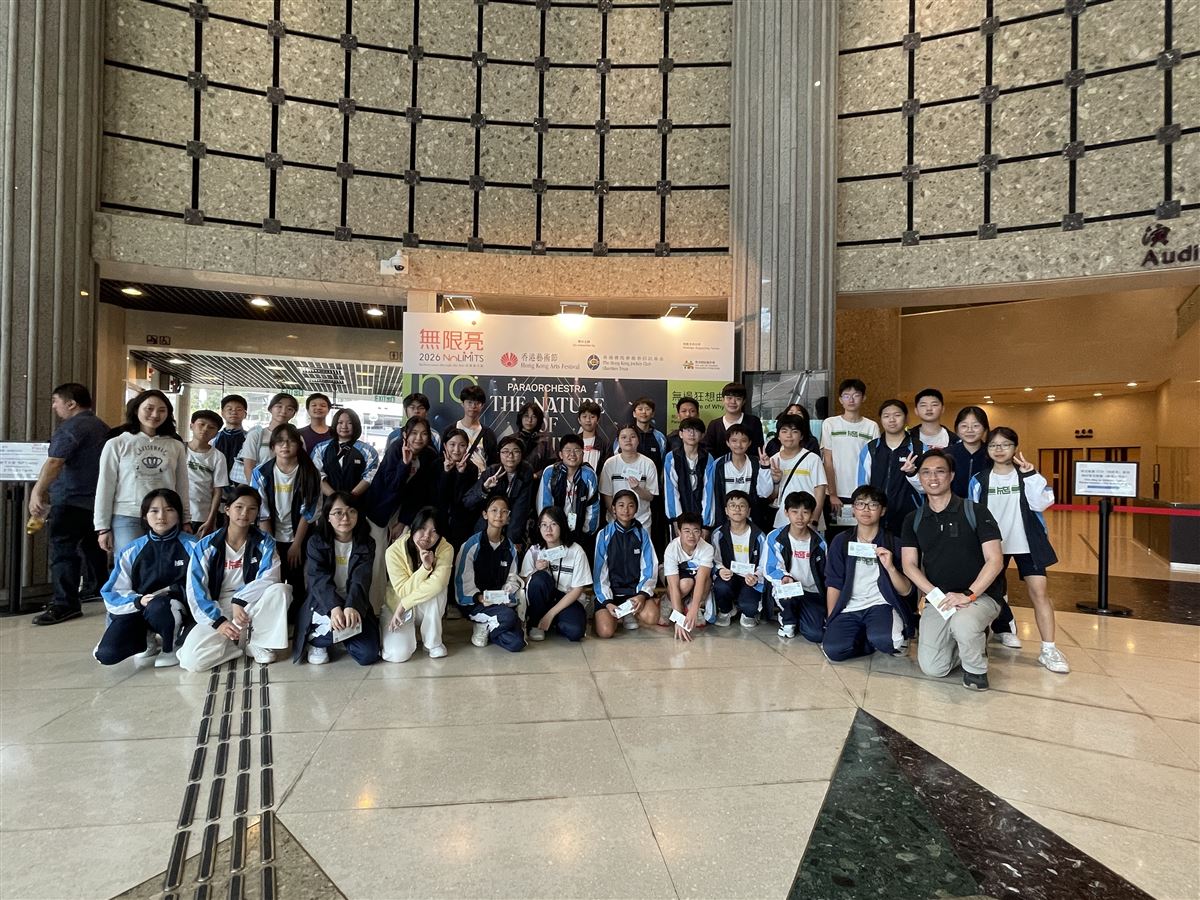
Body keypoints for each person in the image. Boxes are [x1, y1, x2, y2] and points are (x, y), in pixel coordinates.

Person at [901, 449, 1005, 691]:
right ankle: (970, 642)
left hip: (979, 596)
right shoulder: (914, 519)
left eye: (940, 471)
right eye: (926, 472)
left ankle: (976, 669)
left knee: (963, 623)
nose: (933, 478)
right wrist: (935, 595)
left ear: (951, 476)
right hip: (940, 599)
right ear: (920, 477)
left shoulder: (975, 511)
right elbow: (909, 565)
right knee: (933, 668)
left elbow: (995, 560)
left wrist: (969, 595)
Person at [969, 428, 1068, 674]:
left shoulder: (1027, 476)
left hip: (1027, 544)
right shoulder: (979, 480)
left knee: (1040, 592)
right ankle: (984, 640)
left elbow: (1042, 503)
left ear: (1015, 447)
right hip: (993, 546)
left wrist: (1031, 475)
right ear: (987, 449)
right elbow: (973, 514)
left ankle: (1049, 649)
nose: (999, 449)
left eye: (1005, 444)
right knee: (987, 593)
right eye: (993, 445)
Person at [177, 486, 291, 671]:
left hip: (253, 603)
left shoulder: (265, 542)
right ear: (227, 509)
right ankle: (238, 645)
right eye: (239, 507)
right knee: (192, 662)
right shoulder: (205, 546)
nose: (245, 513)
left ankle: (259, 642)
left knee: (281, 590)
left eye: (252, 508)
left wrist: (240, 599)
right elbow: (196, 591)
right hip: (219, 607)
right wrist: (219, 622)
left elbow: (269, 577)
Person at [28, 383, 110, 626]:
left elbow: (55, 461)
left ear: (71, 403)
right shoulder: (101, 426)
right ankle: (96, 588)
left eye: (56, 401)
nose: (54, 407)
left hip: (71, 499)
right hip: (95, 501)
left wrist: (38, 491)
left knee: (63, 552)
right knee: (92, 548)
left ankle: (65, 603)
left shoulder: (72, 427)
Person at [94, 489, 197, 667]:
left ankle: (170, 646)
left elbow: (205, 587)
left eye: (169, 510)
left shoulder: (194, 546)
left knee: (160, 606)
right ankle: (148, 640)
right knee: (106, 654)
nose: (161, 516)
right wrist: (138, 601)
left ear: (179, 514)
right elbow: (113, 592)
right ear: (144, 516)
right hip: (141, 608)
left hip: (177, 610)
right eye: (154, 511)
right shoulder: (131, 550)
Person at [822, 485, 916, 662]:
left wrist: (890, 567)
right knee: (833, 651)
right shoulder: (841, 541)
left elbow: (906, 591)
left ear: (882, 511)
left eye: (873, 505)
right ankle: (869, 639)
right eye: (860, 504)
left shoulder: (893, 543)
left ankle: (878, 636)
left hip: (881, 605)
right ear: (853, 509)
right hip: (850, 607)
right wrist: (831, 618)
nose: (866, 509)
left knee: (891, 642)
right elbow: (834, 583)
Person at [94, 390, 191, 555]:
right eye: (149, 409)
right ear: (136, 409)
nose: (155, 414)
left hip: (165, 516)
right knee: (130, 563)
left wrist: (185, 519)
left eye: (162, 410)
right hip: (127, 516)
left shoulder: (176, 446)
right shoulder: (117, 443)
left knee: (162, 564)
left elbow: (182, 485)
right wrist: (102, 527)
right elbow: (105, 485)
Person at [293, 492, 380, 665]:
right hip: (322, 601)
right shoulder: (315, 542)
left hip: (353, 599)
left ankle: (341, 636)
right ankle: (317, 642)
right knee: (335, 625)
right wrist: (334, 607)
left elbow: (361, 578)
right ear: (328, 516)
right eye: (338, 512)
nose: (345, 518)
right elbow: (318, 579)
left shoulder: (367, 543)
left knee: (368, 655)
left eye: (351, 511)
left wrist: (352, 606)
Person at [251, 424, 320, 615]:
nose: (285, 445)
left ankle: (298, 622)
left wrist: (296, 544)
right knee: (273, 582)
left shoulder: (310, 473)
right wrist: (271, 546)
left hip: (300, 537)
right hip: (270, 537)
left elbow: (309, 513)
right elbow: (262, 513)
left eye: (291, 441)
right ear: (272, 446)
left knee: (299, 582)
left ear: (299, 444)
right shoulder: (261, 473)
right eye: (280, 441)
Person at [453, 494, 526, 652]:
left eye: (504, 511)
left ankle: (487, 626)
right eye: (494, 510)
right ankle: (483, 622)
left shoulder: (510, 548)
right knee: (509, 617)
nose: (499, 515)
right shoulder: (471, 545)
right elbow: (462, 583)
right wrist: (480, 598)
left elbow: (512, 579)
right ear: (485, 514)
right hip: (476, 604)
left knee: (517, 643)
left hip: (500, 604)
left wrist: (505, 594)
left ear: (508, 517)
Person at [382, 505, 453, 661]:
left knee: (437, 590)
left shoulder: (445, 548)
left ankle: (433, 642)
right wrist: (425, 569)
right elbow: (402, 591)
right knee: (397, 655)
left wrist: (404, 604)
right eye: (422, 528)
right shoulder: (393, 551)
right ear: (413, 527)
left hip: (416, 606)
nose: (427, 536)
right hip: (396, 607)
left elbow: (438, 584)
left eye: (434, 531)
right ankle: (404, 634)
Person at [592, 490, 659, 638]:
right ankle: (613, 615)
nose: (626, 510)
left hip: (634, 593)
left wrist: (641, 595)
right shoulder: (604, 534)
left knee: (652, 616)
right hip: (612, 593)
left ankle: (629, 613)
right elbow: (599, 572)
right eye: (621, 505)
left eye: (631, 505)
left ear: (636, 509)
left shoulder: (642, 534)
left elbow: (650, 568)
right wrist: (607, 601)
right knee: (605, 632)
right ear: (614, 508)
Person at [520, 506, 592, 642]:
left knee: (575, 632)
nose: (548, 529)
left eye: (553, 524)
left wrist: (550, 614)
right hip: (543, 599)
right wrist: (536, 571)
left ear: (562, 525)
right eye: (544, 525)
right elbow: (524, 582)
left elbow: (578, 589)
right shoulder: (535, 551)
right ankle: (535, 623)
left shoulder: (576, 551)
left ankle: (552, 620)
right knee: (539, 579)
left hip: (566, 599)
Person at [765, 491, 827, 640]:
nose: (799, 517)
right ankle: (787, 620)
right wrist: (785, 577)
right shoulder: (775, 537)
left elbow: (826, 573)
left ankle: (800, 615)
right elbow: (770, 568)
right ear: (786, 512)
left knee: (816, 634)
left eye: (805, 512)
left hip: (811, 591)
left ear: (811, 514)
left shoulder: (820, 543)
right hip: (788, 589)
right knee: (788, 598)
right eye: (794, 512)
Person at [820, 378, 880, 528]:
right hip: (835, 494)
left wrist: (867, 494)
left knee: (862, 534)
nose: (851, 400)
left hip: (862, 493)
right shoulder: (830, 424)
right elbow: (828, 460)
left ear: (863, 398)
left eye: (856, 395)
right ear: (840, 400)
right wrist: (832, 494)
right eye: (846, 396)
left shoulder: (871, 426)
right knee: (835, 536)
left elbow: (874, 462)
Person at [858, 399, 921, 537]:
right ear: (881, 419)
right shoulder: (871, 448)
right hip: (876, 516)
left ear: (906, 418)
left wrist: (912, 473)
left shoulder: (919, 448)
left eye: (897, 415)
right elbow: (863, 487)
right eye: (886, 416)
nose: (892, 420)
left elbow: (925, 487)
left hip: (910, 516)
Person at [464, 435, 536, 548]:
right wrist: (484, 488)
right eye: (505, 451)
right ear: (499, 454)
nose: (510, 456)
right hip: (486, 526)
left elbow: (521, 508)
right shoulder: (491, 471)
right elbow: (468, 501)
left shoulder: (526, 471)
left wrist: (511, 543)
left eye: (515, 451)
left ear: (522, 454)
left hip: (511, 525)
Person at [710, 491, 768, 627]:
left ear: (749, 511)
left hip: (750, 578)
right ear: (726, 510)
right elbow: (715, 560)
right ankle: (726, 610)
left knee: (749, 606)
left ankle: (749, 613)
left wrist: (756, 576)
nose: (737, 509)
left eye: (742, 506)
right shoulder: (718, 534)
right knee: (721, 587)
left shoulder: (759, 535)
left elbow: (764, 563)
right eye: (733, 505)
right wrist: (720, 570)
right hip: (729, 576)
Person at [536, 434, 602, 554]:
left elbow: (593, 507)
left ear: (582, 454)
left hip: (580, 534)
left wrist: (585, 533)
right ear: (561, 454)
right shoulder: (550, 472)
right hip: (553, 533)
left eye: (577, 450)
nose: (572, 454)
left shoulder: (589, 475)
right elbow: (544, 505)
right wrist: (551, 530)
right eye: (568, 450)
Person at [766, 414, 827, 530]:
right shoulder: (773, 460)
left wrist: (814, 519)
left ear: (802, 435)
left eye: (794, 431)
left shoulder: (813, 459)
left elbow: (820, 491)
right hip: (783, 521)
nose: (789, 435)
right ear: (778, 436)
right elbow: (772, 496)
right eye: (784, 431)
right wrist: (776, 481)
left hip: (808, 520)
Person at [660, 512, 714, 641]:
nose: (691, 535)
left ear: (701, 532)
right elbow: (673, 585)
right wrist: (678, 618)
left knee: (706, 582)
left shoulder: (707, 548)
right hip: (678, 578)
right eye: (687, 531)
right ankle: (667, 602)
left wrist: (694, 610)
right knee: (686, 584)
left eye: (696, 531)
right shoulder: (671, 549)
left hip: (696, 577)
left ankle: (690, 605)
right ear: (679, 532)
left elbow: (701, 580)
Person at [711, 423, 774, 530]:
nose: (739, 445)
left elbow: (765, 493)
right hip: (725, 520)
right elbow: (714, 495)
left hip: (752, 520)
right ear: (727, 442)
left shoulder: (756, 463)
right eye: (734, 441)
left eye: (743, 441)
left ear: (749, 443)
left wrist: (765, 467)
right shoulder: (719, 464)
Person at [600, 423, 659, 530]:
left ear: (638, 440)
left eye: (632, 436)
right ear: (618, 441)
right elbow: (606, 494)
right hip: (615, 522)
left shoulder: (648, 464)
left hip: (642, 522)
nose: (628, 440)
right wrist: (617, 517)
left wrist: (637, 488)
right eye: (623, 437)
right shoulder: (610, 463)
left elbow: (651, 496)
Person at [663, 417, 717, 531]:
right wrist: (676, 520)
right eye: (688, 430)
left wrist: (706, 524)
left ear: (702, 435)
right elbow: (671, 491)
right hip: (679, 517)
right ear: (681, 434)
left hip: (700, 516)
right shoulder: (672, 457)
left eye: (696, 430)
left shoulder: (708, 458)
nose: (692, 434)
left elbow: (709, 491)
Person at [313, 408, 380, 499]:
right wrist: (335, 499)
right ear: (335, 424)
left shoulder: (368, 451)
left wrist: (348, 499)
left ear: (356, 425)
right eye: (340, 422)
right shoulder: (320, 448)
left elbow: (370, 476)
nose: (344, 426)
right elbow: (316, 474)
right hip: (327, 502)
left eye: (350, 423)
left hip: (357, 502)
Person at [435, 427, 481, 550]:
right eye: (452, 444)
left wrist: (460, 474)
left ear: (467, 447)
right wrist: (446, 472)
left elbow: (462, 500)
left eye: (462, 445)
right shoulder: (436, 465)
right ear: (445, 445)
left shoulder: (472, 469)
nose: (456, 450)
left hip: (460, 524)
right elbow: (439, 497)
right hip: (438, 521)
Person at [239, 392, 299, 484]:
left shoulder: (297, 437)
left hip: (288, 486)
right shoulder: (256, 435)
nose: (283, 411)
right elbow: (248, 467)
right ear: (270, 409)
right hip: (261, 485)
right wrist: (256, 489)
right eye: (279, 406)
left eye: (289, 408)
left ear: (293, 414)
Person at [186, 409, 228, 538]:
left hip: (202, 515)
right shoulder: (179, 449)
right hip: (177, 513)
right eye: (201, 424)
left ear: (216, 433)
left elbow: (218, 491)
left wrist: (211, 520)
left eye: (211, 427)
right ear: (191, 425)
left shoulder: (218, 456)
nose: (205, 429)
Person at [442, 383, 498, 470]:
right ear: (462, 403)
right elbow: (442, 457)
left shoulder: (488, 434)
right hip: (455, 476)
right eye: (469, 402)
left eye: (477, 403)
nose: (473, 406)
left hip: (480, 477)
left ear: (482, 405)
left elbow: (493, 463)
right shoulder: (450, 430)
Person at [703, 382, 765, 456]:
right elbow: (709, 451)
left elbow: (758, 449)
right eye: (729, 398)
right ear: (722, 400)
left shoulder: (753, 422)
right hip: (719, 463)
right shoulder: (714, 425)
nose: (733, 402)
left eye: (738, 399)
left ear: (743, 401)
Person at [949, 406, 991, 498]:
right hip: (953, 505)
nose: (970, 430)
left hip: (985, 505)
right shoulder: (947, 454)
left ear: (985, 428)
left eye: (976, 426)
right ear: (957, 429)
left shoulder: (992, 454)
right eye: (964, 426)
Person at [211, 394, 248, 485]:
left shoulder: (250, 438)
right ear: (222, 413)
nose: (234, 412)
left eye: (239, 409)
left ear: (245, 414)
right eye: (229, 409)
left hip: (241, 488)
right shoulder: (213, 438)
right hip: (216, 486)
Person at [514, 401, 554, 473]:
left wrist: (537, 475)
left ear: (538, 420)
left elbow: (552, 465)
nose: (530, 420)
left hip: (537, 479)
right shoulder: (512, 440)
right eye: (526, 416)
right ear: (521, 418)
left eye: (534, 417)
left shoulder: (544, 441)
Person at [576, 399, 611, 473]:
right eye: (584, 416)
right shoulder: (573, 441)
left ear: (598, 420)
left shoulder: (604, 444)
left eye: (592, 417)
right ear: (579, 420)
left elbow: (608, 468)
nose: (588, 420)